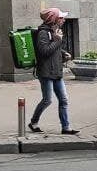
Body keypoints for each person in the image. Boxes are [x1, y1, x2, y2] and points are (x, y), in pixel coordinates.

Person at [27, 7, 79, 135]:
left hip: (56, 71)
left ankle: (66, 128)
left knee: (63, 99)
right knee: (47, 100)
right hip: (46, 73)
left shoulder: (54, 31)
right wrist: (57, 41)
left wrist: (63, 53)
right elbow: (44, 51)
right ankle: (33, 122)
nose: (64, 20)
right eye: (61, 17)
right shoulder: (43, 33)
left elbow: (53, 49)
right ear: (54, 19)